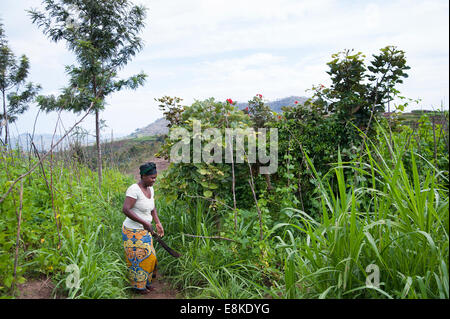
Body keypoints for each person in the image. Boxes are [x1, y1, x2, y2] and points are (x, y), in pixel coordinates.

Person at [121, 162, 164, 294]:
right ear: (143, 176)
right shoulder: (134, 190)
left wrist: (157, 222)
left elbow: (152, 207)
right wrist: (144, 222)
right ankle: (138, 287)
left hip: (145, 230)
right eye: (152, 178)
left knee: (151, 258)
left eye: (155, 177)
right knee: (138, 259)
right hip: (132, 231)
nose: (154, 180)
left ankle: (147, 282)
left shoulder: (150, 189)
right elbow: (126, 209)